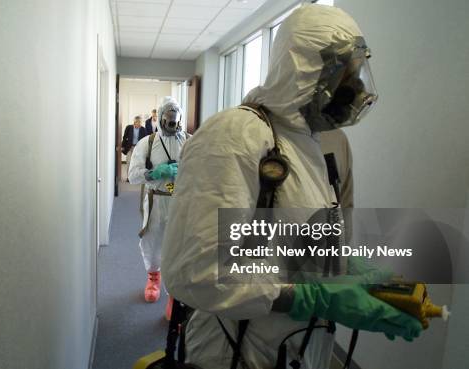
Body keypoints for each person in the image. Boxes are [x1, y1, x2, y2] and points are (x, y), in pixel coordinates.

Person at [161, 5, 422, 369]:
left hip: (299, 349)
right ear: (306, 68)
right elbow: (196, 272)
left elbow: (291, 242)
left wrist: (345, 268)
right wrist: (310, 297)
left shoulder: (316, 146)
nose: (355, 88)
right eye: (346, 73)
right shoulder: (235, 136)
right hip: (234, 354)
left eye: (357, 72)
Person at [128, 98, 188, 318]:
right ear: (162, 118)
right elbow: (132, 175)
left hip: (182, 202)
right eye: (169, 121)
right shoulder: (148, 142)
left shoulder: (190, 142)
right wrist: (154, 173)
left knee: (180, 246)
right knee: (152, 241)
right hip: (156, 201)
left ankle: (173, 292)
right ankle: (153, 277)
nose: (173, 125)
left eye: (176, 121)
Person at [122, 116, 147, 181]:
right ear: (135, 122)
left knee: (138, 163)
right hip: (130, 147)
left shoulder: (143, 129)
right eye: (138, 122)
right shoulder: (129, 127)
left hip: (138, 148)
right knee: (129, 162)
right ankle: (129, 177)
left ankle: (136, 177)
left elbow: (145, 140)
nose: (140, 124)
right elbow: (124, 137)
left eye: (141, 123)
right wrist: (123, 146)